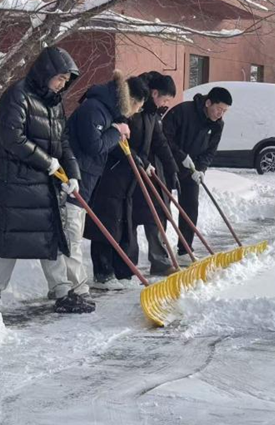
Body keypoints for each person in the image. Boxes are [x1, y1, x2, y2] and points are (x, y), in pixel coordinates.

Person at [0, 46, 94, 314]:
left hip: (42, 184)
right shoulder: (17, 96)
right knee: (9, 243)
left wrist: (73, 174)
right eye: (59, 79)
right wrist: (47, 162)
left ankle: (63, 293)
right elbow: (12, 139)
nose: (61, 85)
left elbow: (63, 142)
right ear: (46, 72)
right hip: (14, 184)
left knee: (49, 238)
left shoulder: (53, 103)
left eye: (66, 82)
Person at [63, 69, 133, 299]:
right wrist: (115, 132)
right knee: (72, 233)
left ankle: (68, 285)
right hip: (75, 180)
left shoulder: (105, 111)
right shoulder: (94, 109)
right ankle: (77, 287)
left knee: (73, 232)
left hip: (85, 179)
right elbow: (93, 146)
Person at [84, 74, 150, 287]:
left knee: (118, 223)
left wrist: (140, 159)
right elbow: (99, 144)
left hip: (121, 178)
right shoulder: (103, 108)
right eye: (137, 106)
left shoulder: (116, 110)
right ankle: (102, 273)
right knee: (105, 222)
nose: (136, 112)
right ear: (130, 99)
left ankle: (117, 271)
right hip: (105, 175)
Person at [162, 86, 232, 256]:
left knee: (191, 206)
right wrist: (180, 156)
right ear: (208, 103)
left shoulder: (218, 125)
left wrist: (201, 169)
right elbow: (164, 137)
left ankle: (185, 248)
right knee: (162, 207)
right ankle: (161, 251)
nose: (220, 114)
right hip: (168, 164)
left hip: (191, 169)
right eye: (218, 109)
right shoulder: (183, 111)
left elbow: (211, 151)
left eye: (224, 111)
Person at [126, 72, 180, 275]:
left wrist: (172, 167)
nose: (165, 104)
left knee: (156, 213)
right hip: (128, 173)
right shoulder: (134, 108)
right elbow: (126, 142)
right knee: (128, 220)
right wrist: (144, 162)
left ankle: (159, 261)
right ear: (154, 93)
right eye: (165, 99)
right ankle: (128, 266)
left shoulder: (152, 113)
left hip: (146, 171)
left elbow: (160, 141)